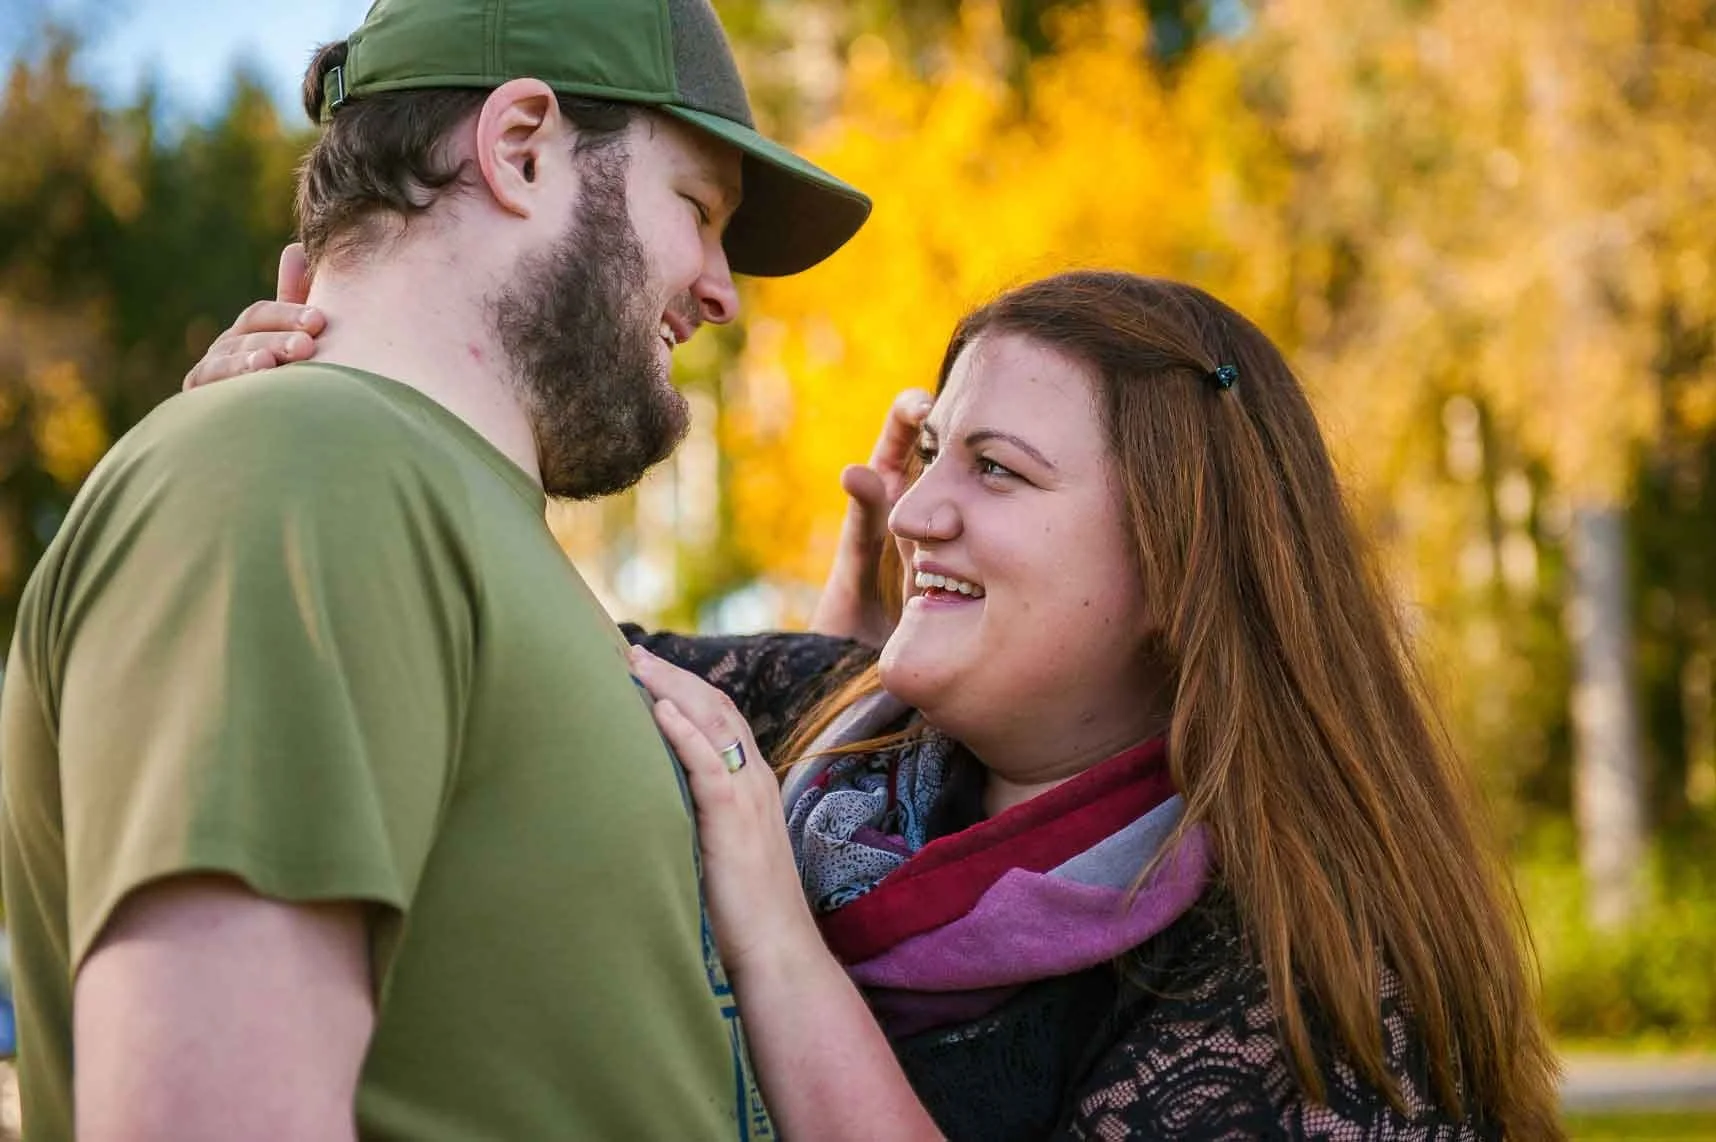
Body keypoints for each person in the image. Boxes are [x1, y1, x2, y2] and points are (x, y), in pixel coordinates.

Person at [200, 270, 1567, 1139]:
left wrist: (773, 930)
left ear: (1179, 565)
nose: (914, 509)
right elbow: (494, 637)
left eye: (999, 472)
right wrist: (284, 448)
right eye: (929, 459)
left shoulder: (1315, 977)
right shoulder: (838, 721)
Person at [0, 0, 875, 1138]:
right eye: (696, 209)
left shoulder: (424, 504)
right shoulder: (305, 469)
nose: (720, 287)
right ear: (520, 148)